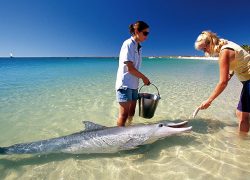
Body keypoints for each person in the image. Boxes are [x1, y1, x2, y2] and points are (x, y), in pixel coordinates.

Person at [194, 30, 250, 133]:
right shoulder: (227, 44)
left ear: (210, 43)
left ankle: (241, 144)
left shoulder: (224, 52)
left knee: (243, 117)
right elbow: (239, 59)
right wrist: (231, 73)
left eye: (204, 48)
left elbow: (223, 82)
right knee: (240, 113)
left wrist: (209, 100)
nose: (204, 51)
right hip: (247, 81)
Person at [115, 21, 151, 127]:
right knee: (124, 115)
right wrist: (144, 78)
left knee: (131, 113)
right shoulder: (128, 44)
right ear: (136, 31)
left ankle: (129, 132)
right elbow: (130, 69)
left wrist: (141, 79)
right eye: (145, 33)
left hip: (134, 85)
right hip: (125, 84)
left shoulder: (139, 47)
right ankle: (119, 139)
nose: (147, 37)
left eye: (147, 34)